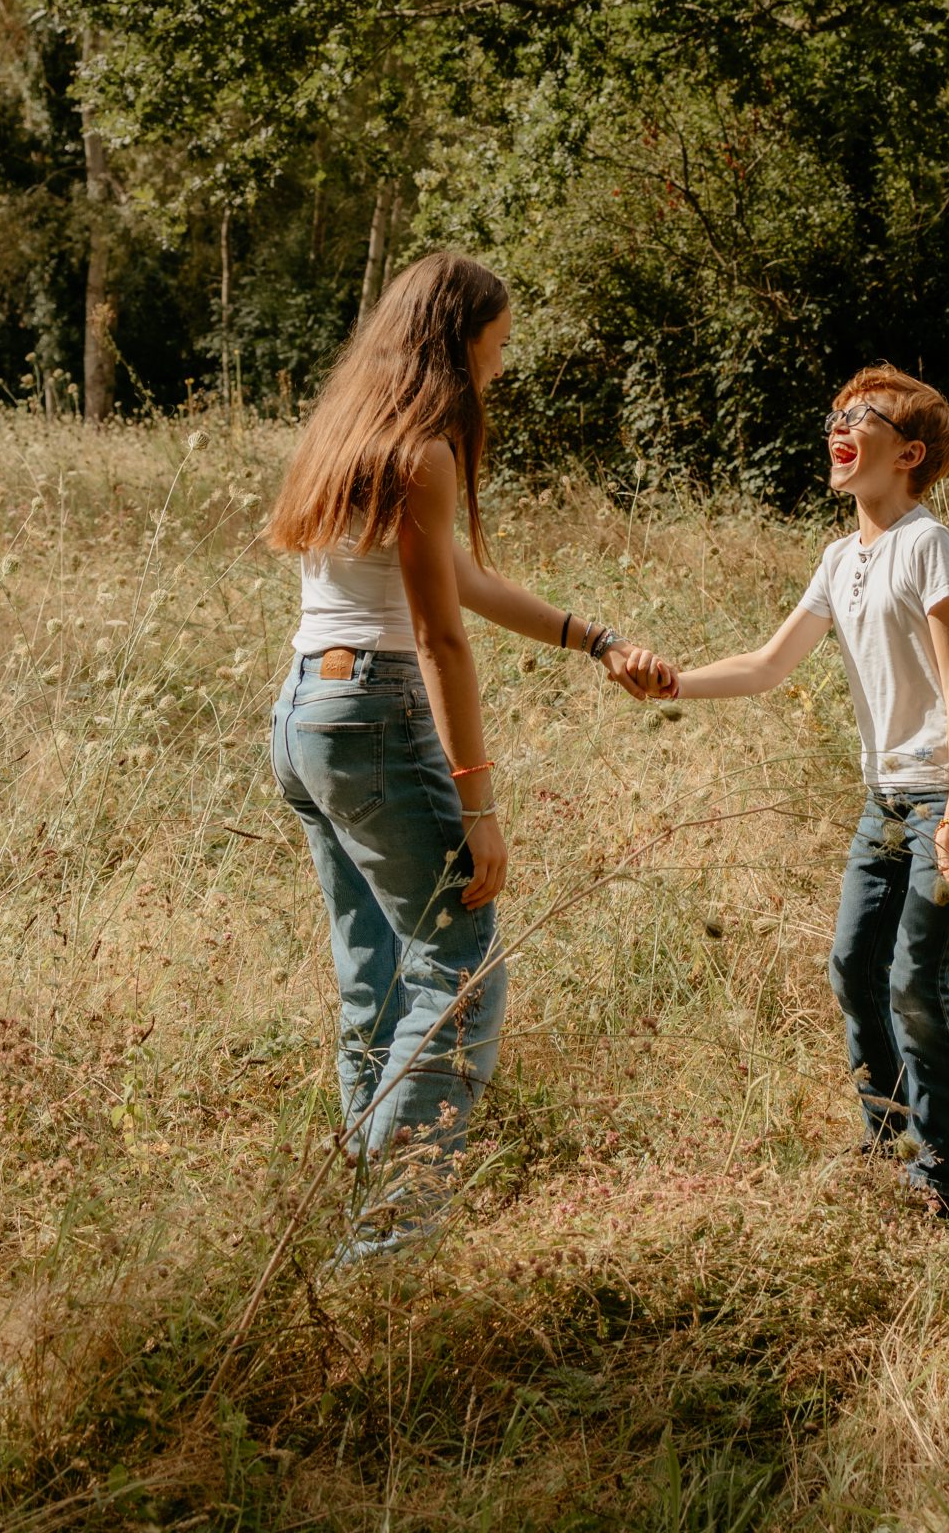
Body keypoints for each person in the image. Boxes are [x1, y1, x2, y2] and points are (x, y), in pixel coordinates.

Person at [265, 248, 667, 1262]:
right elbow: (444, 639)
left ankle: (364, 1204)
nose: (501, 361)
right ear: (460, 336)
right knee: (465, 970)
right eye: (498, 340)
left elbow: (461, 578)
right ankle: (388, 1250)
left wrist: (597, 638)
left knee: (378, 973)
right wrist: (477, 804)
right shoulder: (426, 451)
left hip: (306, 711)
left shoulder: (352, 430)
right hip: (373, 712)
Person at [664, 365, 949, 1220]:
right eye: (836, 414)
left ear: (908, 453)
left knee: (914, 982)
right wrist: (673, 683)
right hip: (885, 795)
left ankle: (941, 1179)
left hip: (944, 794)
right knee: (854, 967)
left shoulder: (928, 544)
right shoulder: (837, 557)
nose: (838, 426)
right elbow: (769, 664)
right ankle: (885, 1137)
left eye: (863, 417)